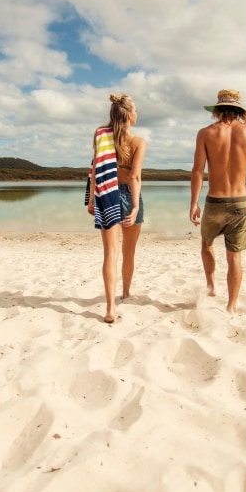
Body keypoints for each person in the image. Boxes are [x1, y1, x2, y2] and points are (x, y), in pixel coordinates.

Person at [189, 89, 246, 314]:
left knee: (206, 244)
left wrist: (194, 203)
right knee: (234, 256)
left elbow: (198, 170)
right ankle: (231, 305)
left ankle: (212, 286)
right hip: (240, 201)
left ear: (218, 109)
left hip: (215, 201)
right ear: (239, 110)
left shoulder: (206, 133)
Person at [86, 94, 146, 323]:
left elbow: (95, 168)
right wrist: (135, 206)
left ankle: (110, 309)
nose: (137, 114)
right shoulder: (138, 142)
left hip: (106, 193)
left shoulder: (101, 135)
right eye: (136, 110)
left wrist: (92, 199)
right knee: (128, 251)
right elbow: (134, 177)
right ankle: (126, 293)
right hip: (129, 195)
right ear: (129, 115)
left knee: (110, 253)